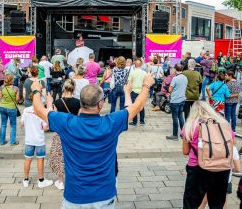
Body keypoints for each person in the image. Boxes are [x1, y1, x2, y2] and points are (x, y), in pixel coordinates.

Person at [30, 72, 154, 208]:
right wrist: (146, 85)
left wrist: (36, 89)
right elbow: (137, 106)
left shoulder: (67, 123)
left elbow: (38, 109)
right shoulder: (111, 123)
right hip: (104, 195)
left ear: (81, 103)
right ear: (100, 104)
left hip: (75, 196)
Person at [182, 101, 233, 209]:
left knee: (191, 202)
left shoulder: (191, 125)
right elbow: (232, 143)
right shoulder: (224, 124)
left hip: (197, 168)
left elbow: (185, 151)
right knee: (217, 203)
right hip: (222, 167)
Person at [49, 79, 81, 190]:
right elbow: (79, 119)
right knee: (74, 156)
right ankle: (74, 178)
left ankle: (61, 181)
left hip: (61, 133)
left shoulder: (58, 102)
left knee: (59, 156)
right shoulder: (78, 102)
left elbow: (55, 118)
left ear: (64, 88)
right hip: (73, 133)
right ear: (73, 89)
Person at [20, 89, 53, 189]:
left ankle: (25, 179)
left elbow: (22, 123)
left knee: (28, 159)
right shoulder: (41, 112)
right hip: (39, 140)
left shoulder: (26, 110)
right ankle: (41, 180)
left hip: (29, 139)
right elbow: (45, 128)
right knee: (40, 160)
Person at [166, 64, 188, 141]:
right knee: (180, 116)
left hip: (175, 100)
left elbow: (170, 90)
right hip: (182, 99)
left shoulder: (175, 79)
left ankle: (175, 135)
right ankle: (183, 134)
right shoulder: (185, 77)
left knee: (175, 117)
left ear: (175, 70)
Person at [0, 74, 20, 146]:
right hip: (12, 108)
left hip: (2, 107)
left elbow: (0, 96)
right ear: (11, 80)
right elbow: (17, 100)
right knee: (13, 125)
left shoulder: (2, 87)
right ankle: (12, 141)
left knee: (3, 124)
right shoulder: (15, 88)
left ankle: (2, 141)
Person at [128, 58, 147, 126]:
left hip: (134, 91)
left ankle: (134, 122)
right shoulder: (144, 73)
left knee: (134, 107)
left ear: (134, 65)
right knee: (141, 106)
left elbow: (129, 82)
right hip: (142, 91)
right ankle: (142, 121)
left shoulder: (132, 73)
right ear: (141, 65)